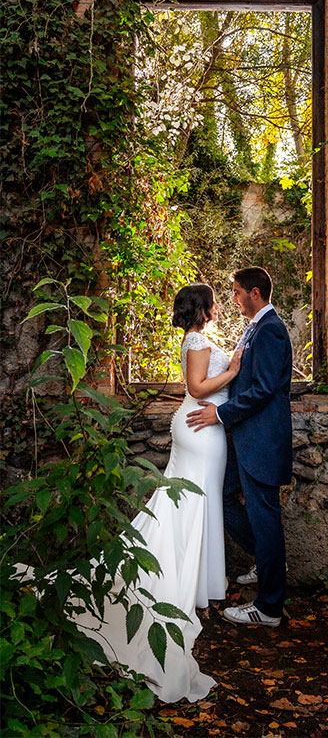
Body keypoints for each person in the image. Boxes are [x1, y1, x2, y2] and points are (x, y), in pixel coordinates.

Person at [74, 284, 242, 702]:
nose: (220, 305)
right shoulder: (198, 339)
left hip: (201, 427)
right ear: (203, 307)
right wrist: (235, 370)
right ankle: (180, 581)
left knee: (187, 504)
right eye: (215, 300)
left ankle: (195, 580)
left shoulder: (196, 337)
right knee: (190, 503)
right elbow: (199, 387)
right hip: (202, 426)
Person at [187, 266, 293, 627]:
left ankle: (268, 608)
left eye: (236, 292)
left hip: (261, 441)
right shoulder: (256, 328)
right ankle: (268, 563)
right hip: (246, 439)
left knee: (265, 516)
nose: (232, 299)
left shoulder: (271, 331)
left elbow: (262, 390)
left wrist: (221, 413)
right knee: (226, 495)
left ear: (255, 294)